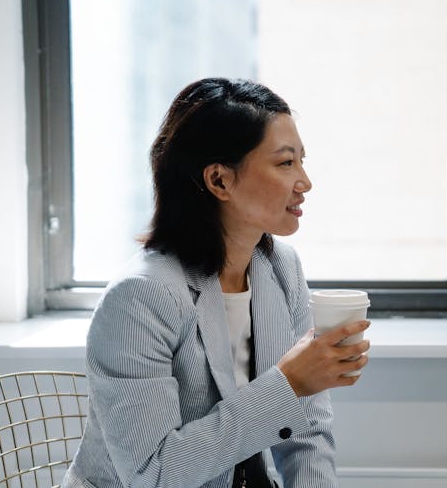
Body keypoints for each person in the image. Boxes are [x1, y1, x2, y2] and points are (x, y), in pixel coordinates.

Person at [63, 78, 370, 488]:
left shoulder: (281, 269)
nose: (305, 182)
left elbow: (308, 432)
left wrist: (301, 386)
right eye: (285, 163)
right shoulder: (141, 297)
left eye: (301, 160)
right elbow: (154, 475)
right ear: (219, 180)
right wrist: (289, 383)